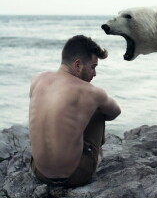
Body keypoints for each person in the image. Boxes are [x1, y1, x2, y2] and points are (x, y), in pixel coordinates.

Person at [29, 35, 121, 187]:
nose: (95, 74)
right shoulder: (91, 92)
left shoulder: (37, 79)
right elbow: (115, 112)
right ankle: (96, 155)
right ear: (78, 65)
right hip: (75, 176)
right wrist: (91, 107)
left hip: (39, 172)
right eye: (93, 67)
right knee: (99, 109)